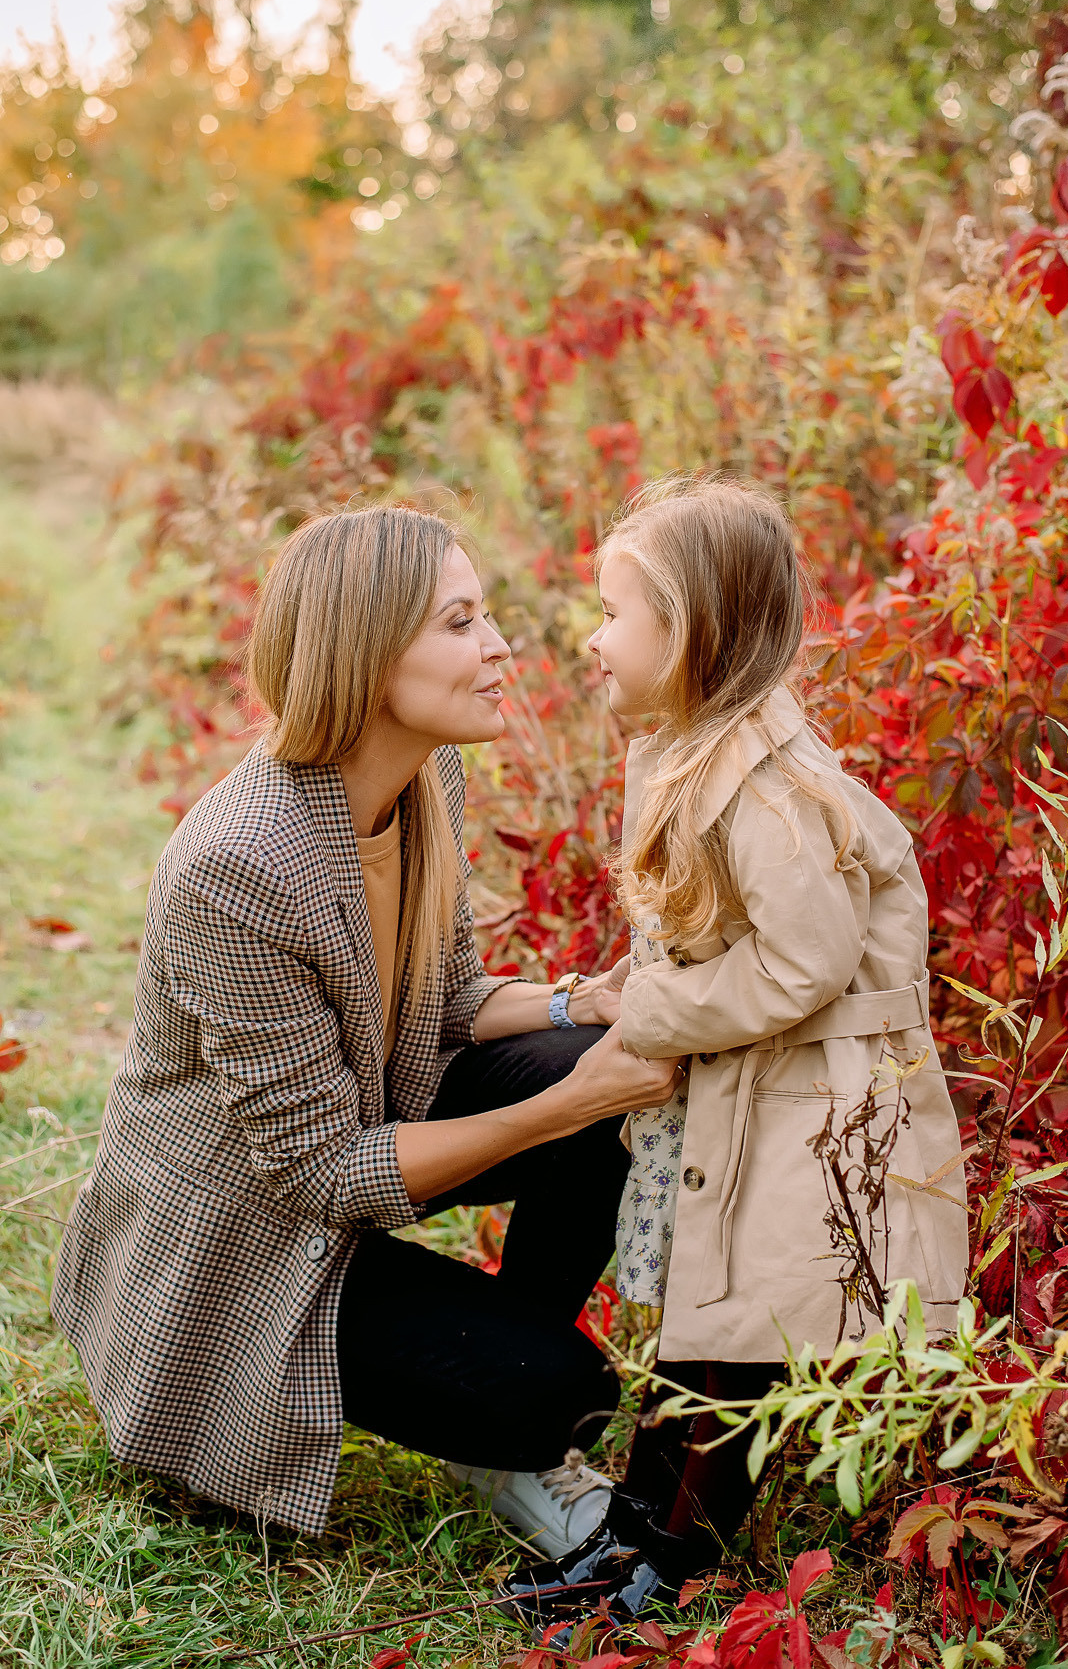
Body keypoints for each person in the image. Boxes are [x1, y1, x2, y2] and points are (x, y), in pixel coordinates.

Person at [51, 505, 679, 1546]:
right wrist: (570, 1099)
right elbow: (322, 1174)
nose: (499, 646)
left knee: (593, 1072)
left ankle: (500, 1394)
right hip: (239, 1243)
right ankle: (510, 1411)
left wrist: (581, 1002)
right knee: (559, 1388)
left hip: (350, 1143)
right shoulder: (236, 867)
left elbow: (439, 1000)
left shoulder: (426, 776)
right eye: (460, 622)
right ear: (366, 652)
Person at [497, 477, 968, 1637]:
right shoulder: (688, 750)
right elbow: (699, 925)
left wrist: (651, 1011)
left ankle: (678, 1553)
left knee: (734, 1343)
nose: (592, 637)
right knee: (690, 1322)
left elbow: (801, 963)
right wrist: (633, 984)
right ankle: (633, 1526)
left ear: (692, 632)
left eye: (614, 612)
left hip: (794, 1106)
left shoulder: (764, 783)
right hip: (728, 1092)